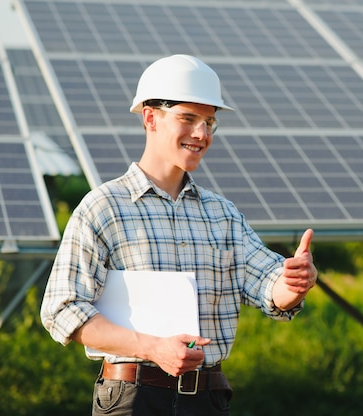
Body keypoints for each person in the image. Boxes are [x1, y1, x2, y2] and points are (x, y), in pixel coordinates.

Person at [40, 54, 318, 416]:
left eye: (209, 122)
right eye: (188, 118)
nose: (201, 134)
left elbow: (268, 284)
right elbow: (62, 308)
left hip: (208, 399)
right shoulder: (103, 208)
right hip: (133, 398)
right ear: (150, 117)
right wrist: (151, 347)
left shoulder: (222, 214)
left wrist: (293, 283)